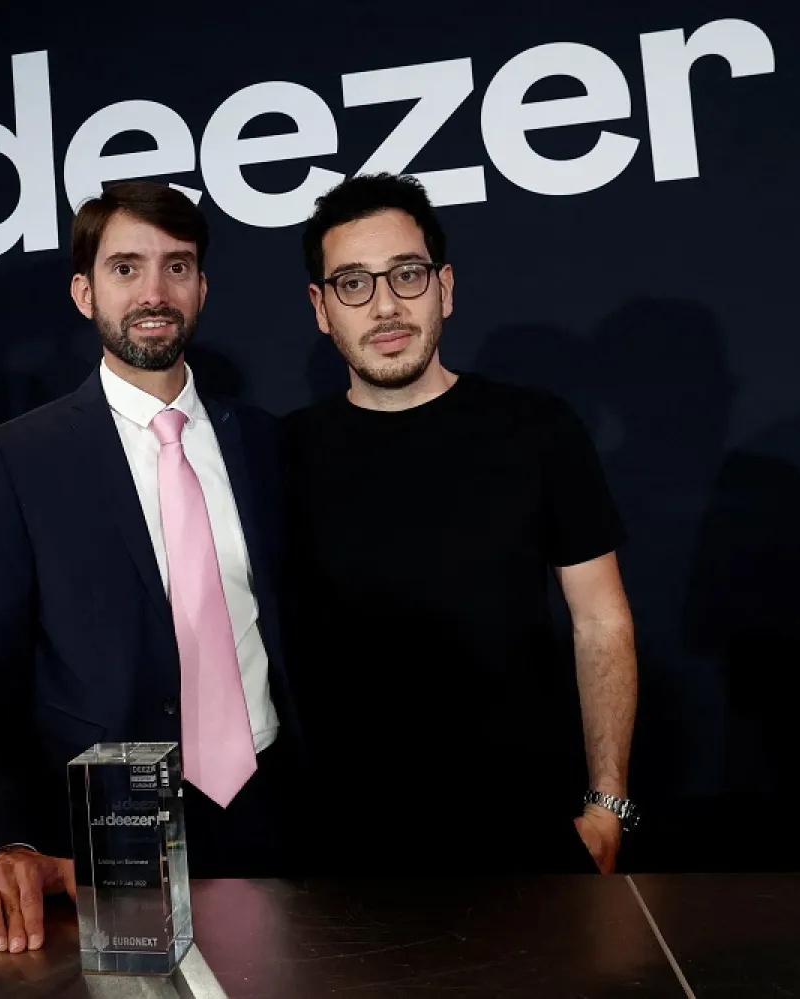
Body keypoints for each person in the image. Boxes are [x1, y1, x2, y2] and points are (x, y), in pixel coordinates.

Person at [0, 180, 303, 953]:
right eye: (126, 268)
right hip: (103, 848)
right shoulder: (19, 458)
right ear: (82, 290)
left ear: (203, 286)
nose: (154, 291)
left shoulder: (265, 442)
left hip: (275, 823)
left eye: (178, 266)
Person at [281, 173, 639, 876]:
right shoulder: (277, 454)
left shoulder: (539, 429)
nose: (385, 305)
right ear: (321, 308)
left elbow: (602, 621)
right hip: (343, 856)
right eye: (353, 282)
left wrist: (609, 806)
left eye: (406, 275)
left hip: (528, 840)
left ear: (444, 286)